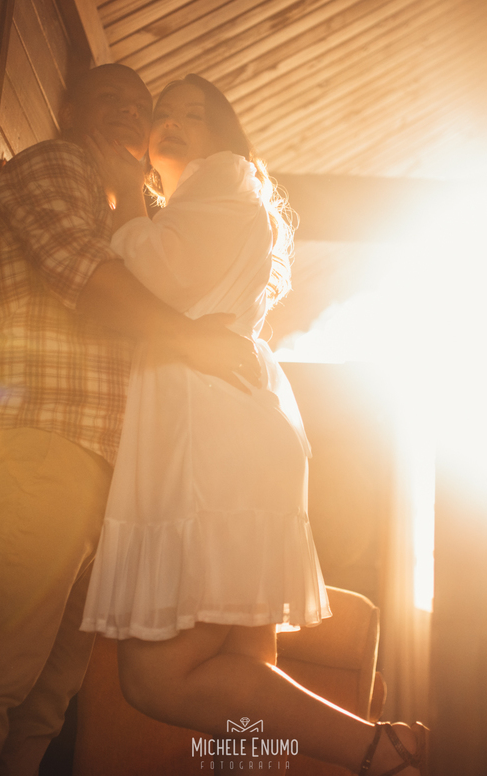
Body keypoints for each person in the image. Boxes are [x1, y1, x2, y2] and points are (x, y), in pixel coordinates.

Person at [0, 64, 263, 776]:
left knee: (44, 703)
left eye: (143, 106)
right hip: (42, 449)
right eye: (112, 99)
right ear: (69, 109)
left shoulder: (132, 214)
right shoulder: (56, 165)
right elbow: (85, 277)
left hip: (97, 477)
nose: (133, 113)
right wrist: (192, 339)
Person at [80, 74, 427, 776]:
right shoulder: (212, 199)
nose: (172, 122)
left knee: (156, 677)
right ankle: (380, 752)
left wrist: (122, 197)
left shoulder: (220, 181)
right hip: (234, 430)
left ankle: (375, 748)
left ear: (224, 135)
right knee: (244, 679)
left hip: (210, 442)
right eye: (164, 112)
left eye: (194, 114)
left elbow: (157, 273)